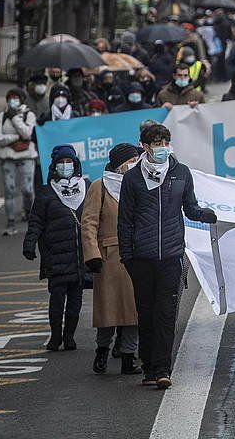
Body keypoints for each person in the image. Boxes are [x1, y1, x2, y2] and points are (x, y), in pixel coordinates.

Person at [118, 122, 218, 390]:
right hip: (141, 259)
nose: (162, 148)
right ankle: (148, 367)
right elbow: (125, 221)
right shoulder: (132, 179)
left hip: (172, 257)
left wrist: (204, 215)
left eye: (165, 143)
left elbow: (190, 207)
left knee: (166, 314)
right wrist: (127, 256)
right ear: (145, 147)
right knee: (146, 313)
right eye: (156, 144)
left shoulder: (180, 173)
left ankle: (163, 369)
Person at [81, 143, 142, 376]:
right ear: (120, 164)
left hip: (135, 256)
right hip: (108, 259)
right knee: (109, 311)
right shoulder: (100, 186)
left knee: (133, 312)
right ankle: (102, 351)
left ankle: (128, 357)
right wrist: (92, 254)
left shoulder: (138, 185)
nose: (135, 164)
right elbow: (89, 223)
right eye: (132, 160)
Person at [23, 145, 90, 352]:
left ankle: (69, 336)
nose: (65, 166)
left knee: (76, 299)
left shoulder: (86, 187)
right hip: (56, 255)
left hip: (80, 257)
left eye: (69, 162)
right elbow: (36, 221)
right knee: (57, 297)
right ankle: (55, 336)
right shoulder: (46, 192)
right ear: (54, 166)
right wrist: (29, 243)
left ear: (75, 164)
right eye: (61, 162)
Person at [0, 87, 37, 236]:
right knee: (9, 189)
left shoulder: (29, 115)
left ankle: (28, 210)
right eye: (10, 98)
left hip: (27, 155)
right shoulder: (1, 116)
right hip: (7, 156)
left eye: (16, 97)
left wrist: (14, 118)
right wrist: (14, 139)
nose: (13, 100)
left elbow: (27, 133)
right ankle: (10, 221)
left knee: (27, 189)